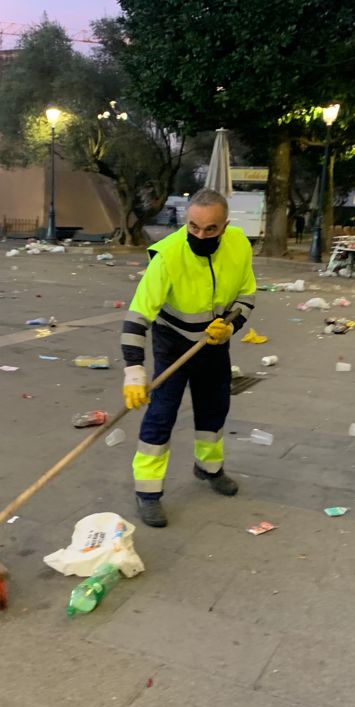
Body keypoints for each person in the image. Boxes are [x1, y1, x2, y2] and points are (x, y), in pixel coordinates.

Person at [121, 188, 257, 527]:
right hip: (173, 343)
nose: (200, 235)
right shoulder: (167, 256)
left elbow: (246, 296)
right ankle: (148, 493)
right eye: (193, 227)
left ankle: (209, 468)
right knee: (161, 414)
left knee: (214, 409)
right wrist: (134, 372)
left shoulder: (239, 245)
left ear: (224, 226)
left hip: (214, 343)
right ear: (186, 221)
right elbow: (137, 316)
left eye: (210, 229)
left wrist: (230, 327)